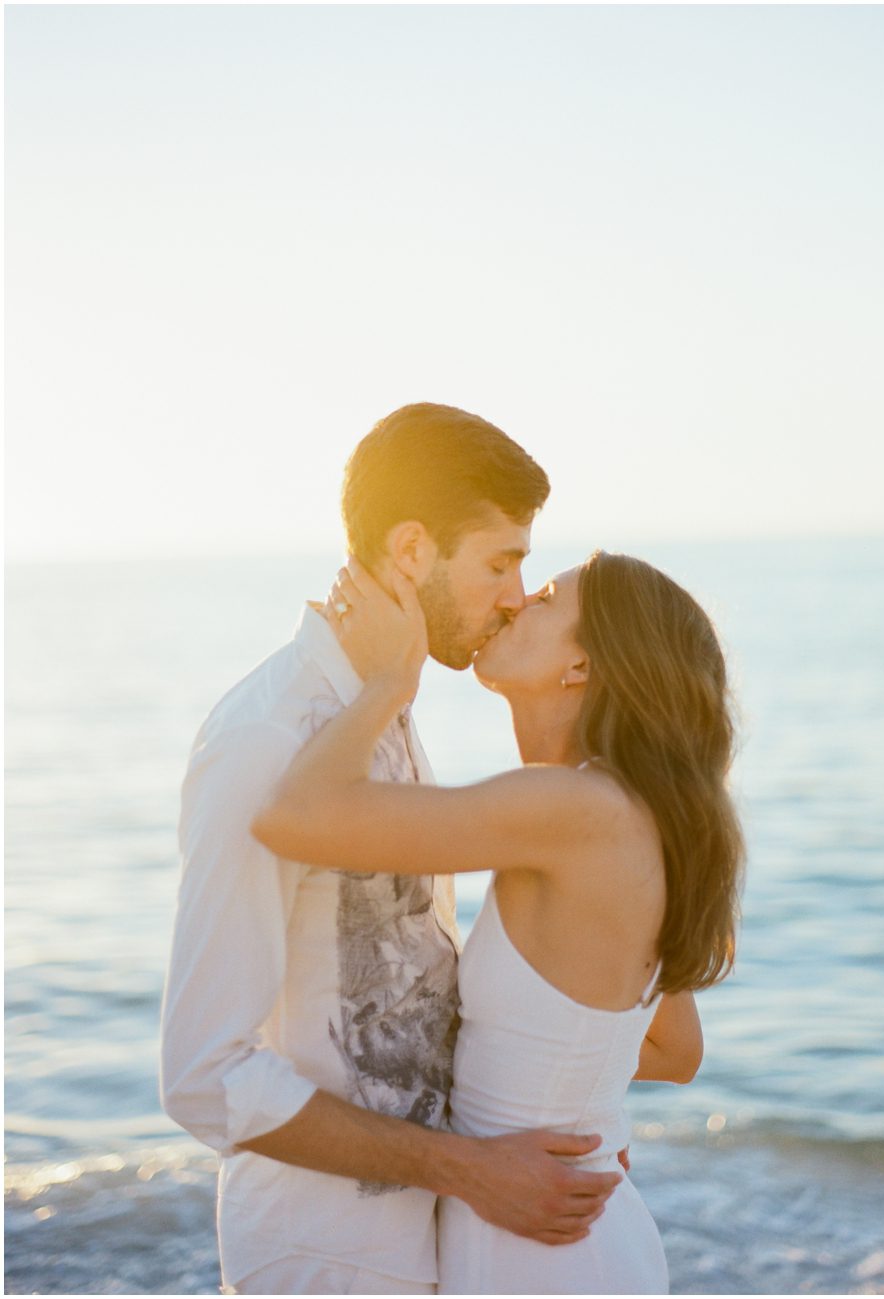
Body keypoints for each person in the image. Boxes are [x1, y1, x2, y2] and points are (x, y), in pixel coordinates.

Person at [161, 403, 628, 1296]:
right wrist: (472, 1168)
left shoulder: (387, 709)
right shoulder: (265, 739)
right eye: (501, 561)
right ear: (413, 550)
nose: (512, 595)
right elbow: (204, 1075)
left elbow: (411, 980)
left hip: (435, 1241)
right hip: (320, 1257)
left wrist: (575, 1119)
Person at [251, 548, 745, 1295]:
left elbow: (294, 815)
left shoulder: (570, 809)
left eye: (545, 598)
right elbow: (675, 1049)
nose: (515, 603)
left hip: (541, 1247)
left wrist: (390, 681)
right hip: (556, 1220)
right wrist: (570, 1104)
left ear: (579, 667)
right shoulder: (626, 812)